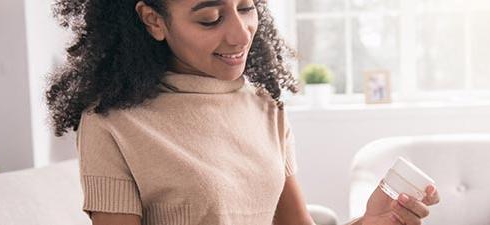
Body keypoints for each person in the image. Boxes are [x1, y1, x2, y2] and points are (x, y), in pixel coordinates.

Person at [45, 0, 439, 224]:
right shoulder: (112, 125)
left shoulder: (265, 107)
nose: (239, 34)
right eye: (210, 18)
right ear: (153, 20)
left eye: (246, 7)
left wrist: (368, 223)